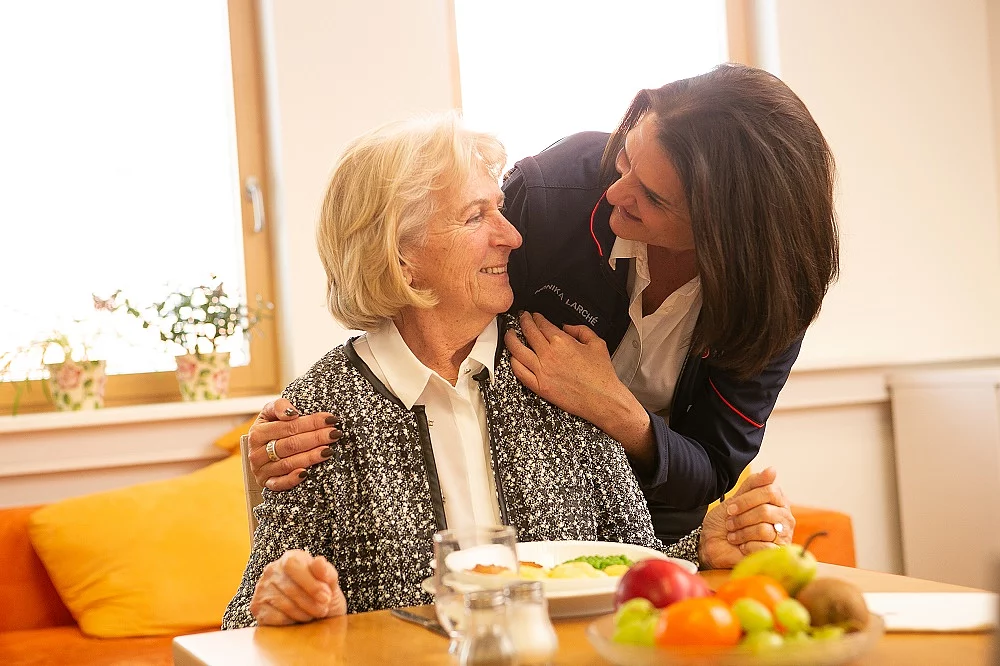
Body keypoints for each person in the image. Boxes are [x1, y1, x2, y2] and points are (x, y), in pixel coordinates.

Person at [222, 113, 794, 628]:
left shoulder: (559, 371)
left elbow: (628, 566)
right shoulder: (319, 411)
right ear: (402, 256)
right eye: (477, 216)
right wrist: (296, 610)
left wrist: (703, 547)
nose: (513, 235)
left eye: (500, 208)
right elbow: (248, 616)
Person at [245, 63, 834, 545]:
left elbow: (697, 483)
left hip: (653, 516)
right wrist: (278, 446)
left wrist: (617, 411)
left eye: (651, 196)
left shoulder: (771, 294)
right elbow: (429, 297)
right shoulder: (555, 197)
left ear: (724, 229)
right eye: (625, 158)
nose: (613, 193)